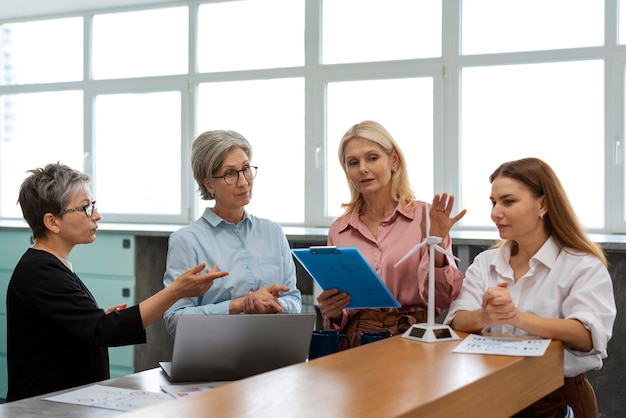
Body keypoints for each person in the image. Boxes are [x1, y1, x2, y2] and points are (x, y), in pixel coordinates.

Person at [6, 162, 229, 402]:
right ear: (52, 222)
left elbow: (82, 328)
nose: (96, 215)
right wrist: (175, 292)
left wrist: (96, 319)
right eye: (85, 208)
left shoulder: (49, 267)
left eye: (93, 205)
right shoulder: (40, 273)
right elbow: (104, 331)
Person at [445, 157, 616, 418]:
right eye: (493, 203)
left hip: (557, 398)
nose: (494, 213)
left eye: (508, 201)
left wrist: (517, 318)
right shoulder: (485, 262)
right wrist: (485, 316)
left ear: (543, 204)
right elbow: (458, 319)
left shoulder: (583, 266)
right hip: (491, 394)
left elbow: (586, 335)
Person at [316, 120, 466, 348]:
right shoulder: (339, 229)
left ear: (393, 160)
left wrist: (435, 247)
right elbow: (338, 317)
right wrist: (333, 312)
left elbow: (444, 299)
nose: (363, 168)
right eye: (353, 162)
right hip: (355, 343)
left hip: (411, 339)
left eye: (372, 158)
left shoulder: (427, 218)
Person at [162, 130, 301, 335]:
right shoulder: (187, 240)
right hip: (216, 354)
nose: (243, 181)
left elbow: (295, 301)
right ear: (209, 184)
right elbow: (175, 320)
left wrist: (275, 305)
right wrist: (236, 306)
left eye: (245, 169)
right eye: (230, 174)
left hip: (273, 347)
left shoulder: (273, 232)